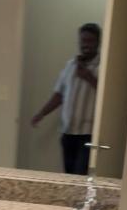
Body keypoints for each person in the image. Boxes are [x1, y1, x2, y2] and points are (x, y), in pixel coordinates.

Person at [31, 23, 101, 174]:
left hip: (88, 134)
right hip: (68, 132)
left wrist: (89, 77)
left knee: (79, 175)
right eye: (83, 40)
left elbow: (108, 95)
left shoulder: (103, 67)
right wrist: (41, 113)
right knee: (68, 175)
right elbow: (59, 95)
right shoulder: (70, 66)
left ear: (98, 43)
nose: (85, 45)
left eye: (90, 41)